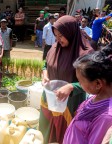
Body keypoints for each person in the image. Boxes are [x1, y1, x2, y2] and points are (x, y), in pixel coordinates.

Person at [39, 16, 93, 144]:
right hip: (50, 98)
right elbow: (45, 64)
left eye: (61, 36)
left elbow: (91, 82)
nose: (57, 39)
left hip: (69, 103)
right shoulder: (54, 48)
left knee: (65, 134)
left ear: (71, 33)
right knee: (46, 130)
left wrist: (71, 86)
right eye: (56, 35)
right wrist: (45, 73)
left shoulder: (85, 54)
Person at [63, 44, 112, 144]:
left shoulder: (105, 117)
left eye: (80, 81)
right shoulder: (96, 96)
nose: (79, 84)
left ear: (98, 83)